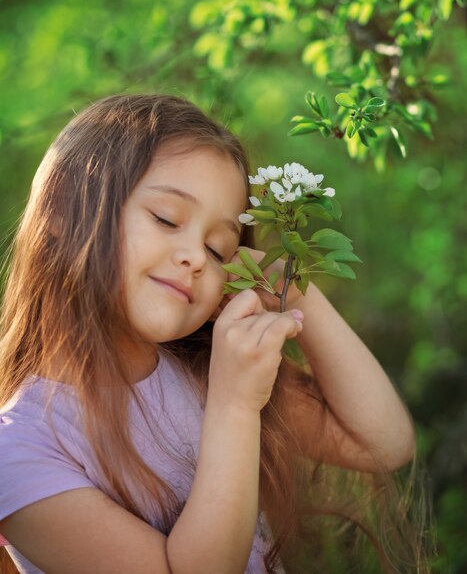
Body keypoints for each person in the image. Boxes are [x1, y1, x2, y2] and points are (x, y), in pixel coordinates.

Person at [0, 94, 424, 574]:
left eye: (219, 248)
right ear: (59, 211)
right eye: (165, 218)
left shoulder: (203, 367)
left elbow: (382, 443)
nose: (197, 258)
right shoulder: (19, 450)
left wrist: (292, 287)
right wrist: (234, 405)